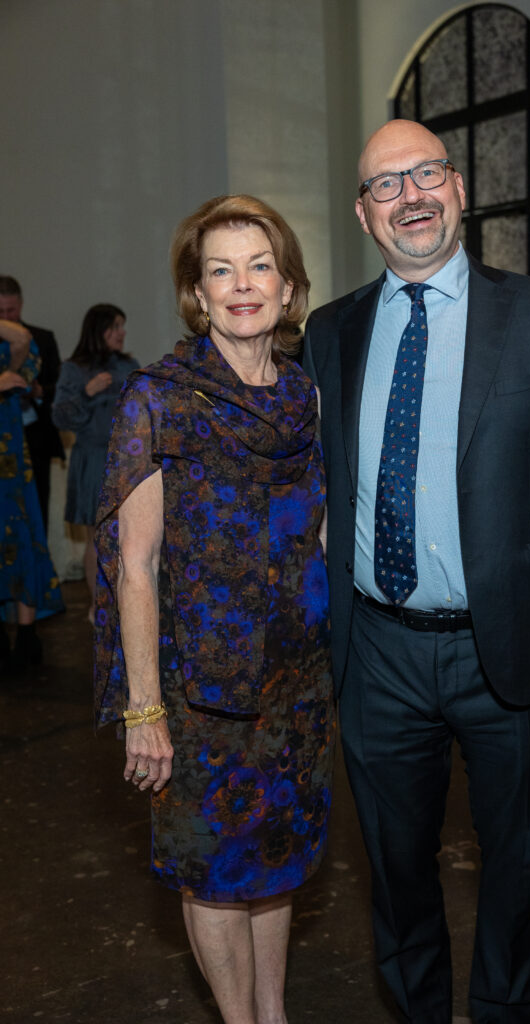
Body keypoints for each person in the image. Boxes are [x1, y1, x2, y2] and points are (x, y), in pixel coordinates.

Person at [303, 119, 530, 1024]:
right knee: (395, 867)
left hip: (510, 645)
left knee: (515, 865)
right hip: (377, 654)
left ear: (458, 189)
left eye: (426, 173)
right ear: (364, 215)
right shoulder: (330, 331)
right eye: (385, 183)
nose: (409, 195)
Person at [93, 194, 334, 1024]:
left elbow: (316, 537)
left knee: (275, 863)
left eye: (259, 266)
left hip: (296, 689)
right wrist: (145, 710)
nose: (242, 286)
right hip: (201, 697)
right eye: (220, 271)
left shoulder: (302, 397)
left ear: (288, 287)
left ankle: (272, 1013)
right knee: (214, 872)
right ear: (197, 294)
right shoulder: (158, 400)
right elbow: (135, 565)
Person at [52, 305, 139, 623]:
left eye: (122, 325)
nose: (122, 332)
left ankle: (129, 603)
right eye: (116, 326)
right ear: (99, 330)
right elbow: (60, 418)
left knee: (131, 536)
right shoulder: (74, 369)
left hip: (127, 459)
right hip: (92, 461)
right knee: (98, 537)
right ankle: (98, 606)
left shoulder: (128, 366)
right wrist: (87, 393)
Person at [0, 318, 64, 670]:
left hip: (12, 465)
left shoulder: (11, 345)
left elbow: (22, 339)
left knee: (21, 536)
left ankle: (27, 636)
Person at [0, 276, 65, 532]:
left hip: (35, 435)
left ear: (21, 305)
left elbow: (59, 387)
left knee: (37, 505)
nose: (6, 317)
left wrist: (38, 392)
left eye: (11, 310)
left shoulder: (42, 338)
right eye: (1, 312)